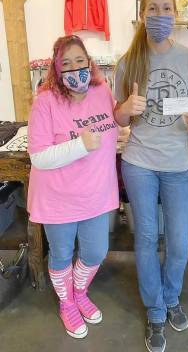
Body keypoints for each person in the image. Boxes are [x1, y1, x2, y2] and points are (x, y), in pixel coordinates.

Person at [114, 0, 188, 352]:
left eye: (166, 8)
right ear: (143, 13)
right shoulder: (128, 61)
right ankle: (155, 309)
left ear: (176, 14)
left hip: (178, 163)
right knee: (147, 238)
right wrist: (126, 110)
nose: (160, 15)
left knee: (180, 242)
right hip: (139, 162)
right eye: (153, 9)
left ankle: (171, 297)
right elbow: (116, 116)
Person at [27, 35, 119, 339]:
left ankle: (80, 292)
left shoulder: (102, 91)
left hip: (95, 194)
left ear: (89, 62)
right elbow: (39, 156)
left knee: (95, 251)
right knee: (62, 254)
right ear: (55, 67)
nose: (74, 69)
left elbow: (115, 122)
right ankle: (66, 302)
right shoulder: (44, 102)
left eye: (80, 61)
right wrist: (79, 145)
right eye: (65, 63)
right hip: (58, 198)